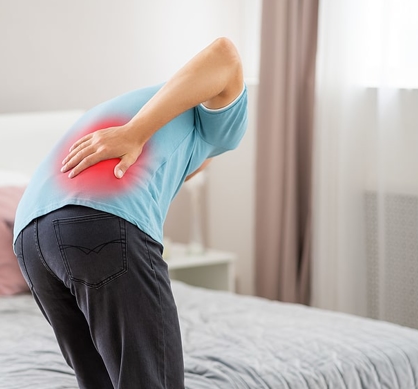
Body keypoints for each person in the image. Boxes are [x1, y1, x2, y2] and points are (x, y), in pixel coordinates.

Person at [13, 37, 248, 389]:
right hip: (100, 223)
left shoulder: (140, 108)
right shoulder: (220, 131)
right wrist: (134, 134)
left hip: (31, 239)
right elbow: (225, 54)